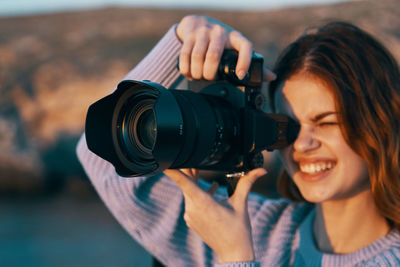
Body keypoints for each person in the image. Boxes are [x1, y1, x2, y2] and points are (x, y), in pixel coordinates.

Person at [77, 15, 400, 266]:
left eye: (327, 122)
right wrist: (181, 39)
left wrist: (235, 256)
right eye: (288, 123)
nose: (301, 143)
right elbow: (101, 160)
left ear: (380, 124)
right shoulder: (261, 228)